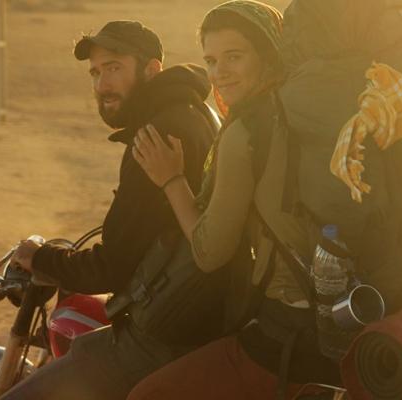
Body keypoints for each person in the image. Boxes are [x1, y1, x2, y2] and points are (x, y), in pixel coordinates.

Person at [130, 2, 340, 399]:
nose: (218, 73)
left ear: (267, 54)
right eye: (210, 60)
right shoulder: (303, 113)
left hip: (291, 327)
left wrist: (172, 179)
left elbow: (210, 252)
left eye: (234, 57)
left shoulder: (248, 130)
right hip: (343, 306)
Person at [1, 20, 218, 400]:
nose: (102, 85)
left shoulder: (156, 133)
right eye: (96, 72)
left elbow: (114, 267)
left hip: (167, 328)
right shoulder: (195, 111)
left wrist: (43, 258)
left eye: (114, 68)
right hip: (202, 310)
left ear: (152, 70)